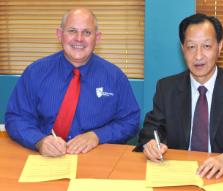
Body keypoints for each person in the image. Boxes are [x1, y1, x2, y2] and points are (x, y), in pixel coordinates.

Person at [135, 13, 223, 179]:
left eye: (207, 46)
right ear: (183, 49)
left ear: (220, 46)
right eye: (191, 47)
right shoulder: (167, 88)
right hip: (176, 173)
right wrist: (151, 143)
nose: (198, 56)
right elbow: (151, 127)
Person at [5, 8, 140, 157]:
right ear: (59, 34)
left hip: (97, 158)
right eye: (72, 31)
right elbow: (16, 117)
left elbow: (130, 121)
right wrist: (39, 141)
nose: (79, 39)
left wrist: (97, 136)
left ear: (98, 37)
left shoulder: (115, 77)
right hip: (46, 158)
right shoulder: (35, 72)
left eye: (87, 32)